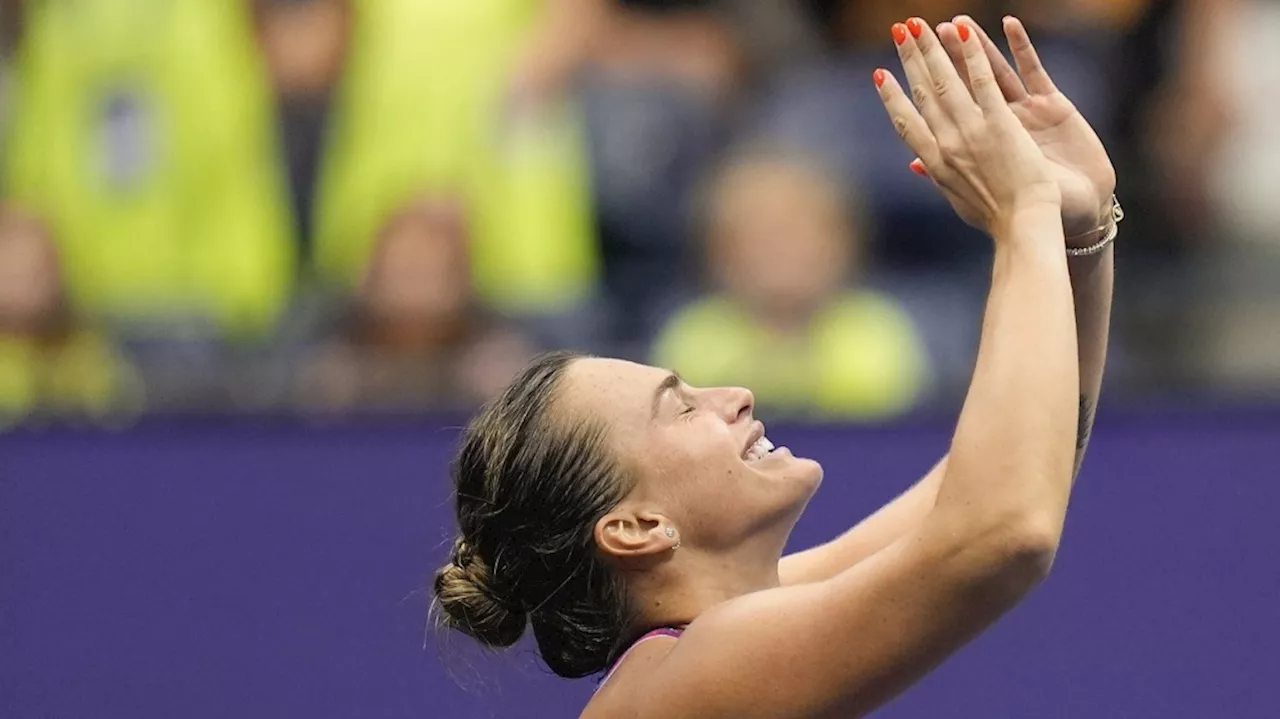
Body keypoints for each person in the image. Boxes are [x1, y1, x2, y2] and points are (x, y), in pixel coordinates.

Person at [433, 15, 1118, 717]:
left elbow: (1027, 471)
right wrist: (1021, 212)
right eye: (680, 405)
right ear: (638, 527)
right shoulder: (698, 670)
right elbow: (1002, 532)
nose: (734, 394)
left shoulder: (718, 635)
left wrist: (1078, 230)